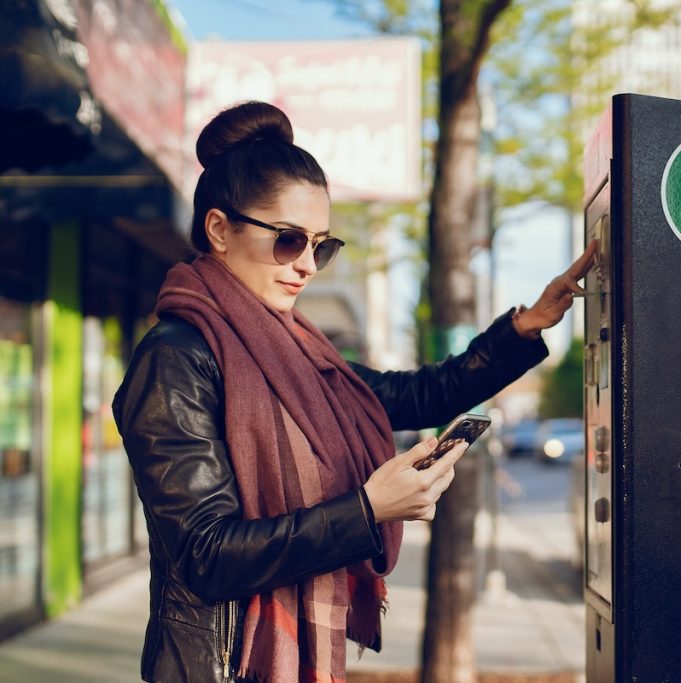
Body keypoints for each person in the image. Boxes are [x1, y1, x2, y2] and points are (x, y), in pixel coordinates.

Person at [112, 101, 597, 683]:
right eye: (289, 240)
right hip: (216, 666)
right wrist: (368, 510)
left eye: (322, 245)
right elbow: (204, 554)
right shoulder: (176, 358)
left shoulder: (300, 350)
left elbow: (416, 395)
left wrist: (525, 328)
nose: (308, 265)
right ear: (219, 229)